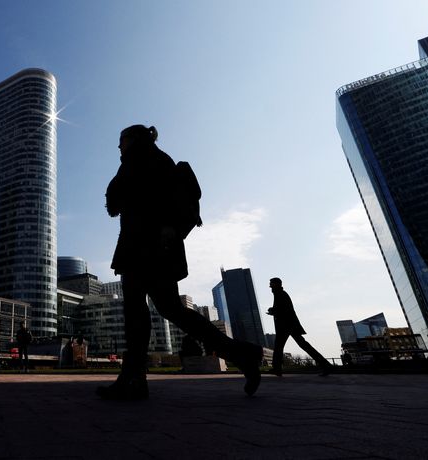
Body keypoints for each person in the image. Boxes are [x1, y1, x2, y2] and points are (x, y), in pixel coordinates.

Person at [97, 124, 263, 400]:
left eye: (121, 141)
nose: (118, 147)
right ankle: (242, 354)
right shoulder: (160, 159)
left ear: (133, 140)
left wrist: (118, 183)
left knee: (139, 313)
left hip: (142, 247)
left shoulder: (137, 161)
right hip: (158, 249)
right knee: (171, 310)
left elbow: (115, 205)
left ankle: (133, 380)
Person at [267, 277, 333, 376]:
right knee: (301, 345)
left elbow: (285, 310)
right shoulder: (279, 294)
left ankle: (277, 369)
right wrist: (274, 310)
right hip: (288, 325)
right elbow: (283, 309)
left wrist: (273, 311)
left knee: (279, 347)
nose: (269, 285)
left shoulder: (281, 294)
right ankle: (325, 365)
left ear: (276, 284)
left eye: (271, 283)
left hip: (286, 326)